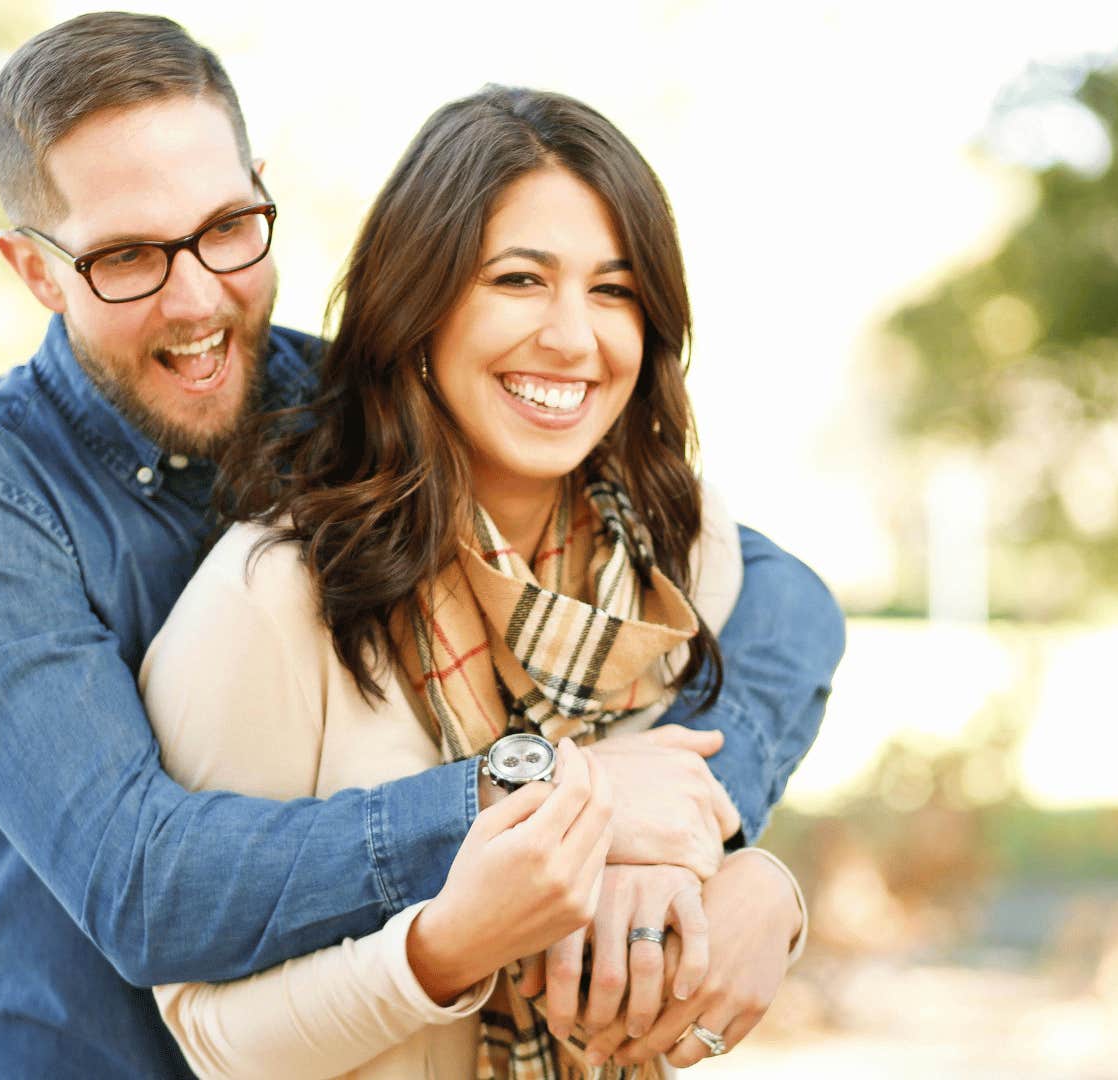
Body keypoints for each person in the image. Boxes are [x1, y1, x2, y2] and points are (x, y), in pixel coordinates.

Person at [0, 13, 846, 1078]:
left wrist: (710, 837)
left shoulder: (352, 407)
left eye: (229, 228)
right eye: (127, 257)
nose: (199, 298)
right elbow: (147, 886)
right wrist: (546, 796)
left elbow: (784, 601)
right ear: (36, 270)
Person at [137, 84, 810, 1079]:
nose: (574, 338)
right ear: (420, 306)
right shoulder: (273, 599)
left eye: (615, 291)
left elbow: (690, 811)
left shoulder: (677, 553)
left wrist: (762, 888)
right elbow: (211, 1033)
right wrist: (450, 944)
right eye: (519, 280)